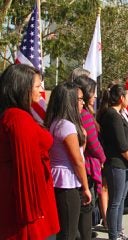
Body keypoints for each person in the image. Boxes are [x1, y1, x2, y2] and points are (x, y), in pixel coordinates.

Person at [0, 64, 59, 239]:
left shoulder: (16, 115)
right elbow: (26, 168)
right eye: (37, 86)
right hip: (25, 213)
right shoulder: (18, 118)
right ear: (22, 88)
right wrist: (32, 214)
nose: (41, 91)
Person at [45, 82, 92, 239]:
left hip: (62, 180)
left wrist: (82, 141)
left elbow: (77, 153)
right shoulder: (66, 125)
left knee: (68, 231)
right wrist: (86, 187)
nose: (83, 102)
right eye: (79, 99)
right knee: (69, 233)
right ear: (69, 101)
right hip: (66, 183)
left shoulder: (58, 122)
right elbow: (78, 161)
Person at [97, 84, 128, 240]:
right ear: (122, 98)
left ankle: (118, 230)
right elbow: (122, 145)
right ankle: (113, 234)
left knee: (121, 199)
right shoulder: (112, 115)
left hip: (123, 164)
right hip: (116, 163)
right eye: (127, 96)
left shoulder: (118, 114)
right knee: (115, 202)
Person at [73, 75, 106, 239]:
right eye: (93, 92)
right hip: (86, 167)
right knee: (86, 206)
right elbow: (93, 143)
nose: (95, 96)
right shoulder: (84, 115)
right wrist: (103, 158)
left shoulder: (81, 113)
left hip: (82, 166)